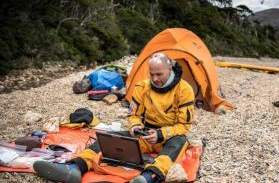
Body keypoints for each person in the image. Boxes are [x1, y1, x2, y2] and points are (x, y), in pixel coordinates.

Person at [33, 52, 195, 183]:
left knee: (177, 144)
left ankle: (148, 177)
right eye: (151, 74)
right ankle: (75, 167)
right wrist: (135, 127)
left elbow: (184, 125)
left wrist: (161, 134)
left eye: (159, 74)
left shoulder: (184, 90)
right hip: (145, 135)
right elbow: (134, 115)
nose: (154, 79)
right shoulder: (142, 87)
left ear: (170, 70)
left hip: (169, 137)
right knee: (108, 138)